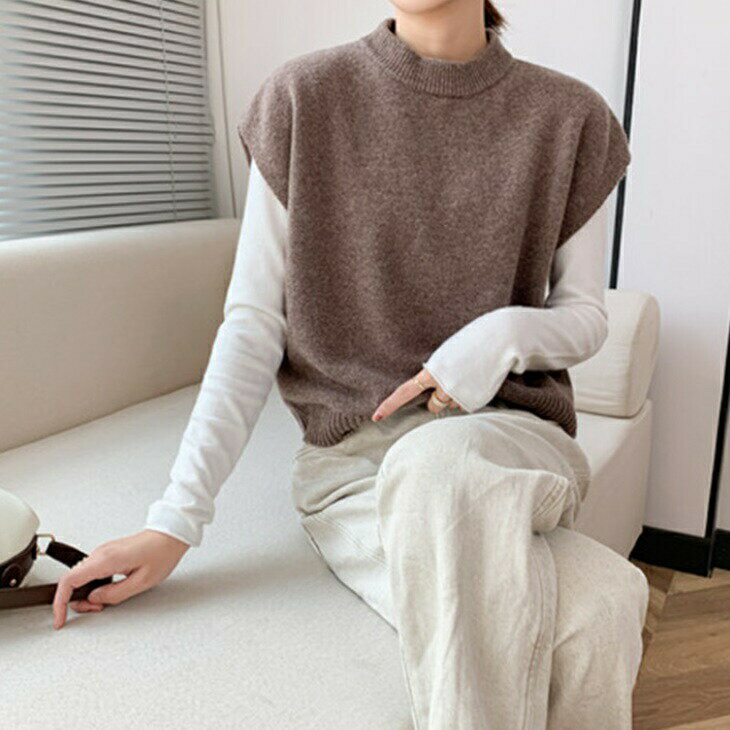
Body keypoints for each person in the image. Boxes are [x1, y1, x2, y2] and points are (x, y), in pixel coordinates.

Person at [52, 2, 649, 728]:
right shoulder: (303, 99)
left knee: (441, 467)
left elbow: (585, 317)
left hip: (510, 440)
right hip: (355, 469)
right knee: (601, 608)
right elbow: (254, 325)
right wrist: (174, 520)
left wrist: (491, 341)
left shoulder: (570, 117)